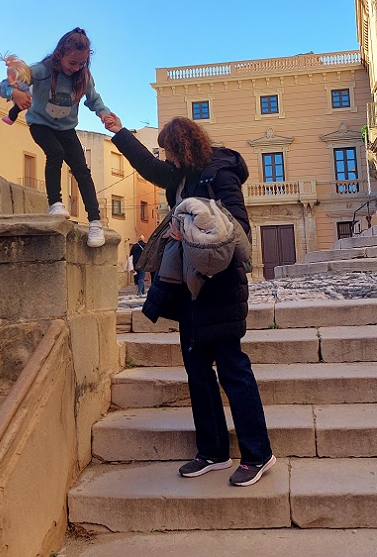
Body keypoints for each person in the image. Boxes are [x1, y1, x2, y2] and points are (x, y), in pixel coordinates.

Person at [103, 113, 275, 487]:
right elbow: (148, 166)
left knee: (233, 370)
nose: (164, 158)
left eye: (168, 151)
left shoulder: (220, 173)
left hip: (220, 287)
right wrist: (119, 132)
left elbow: (240, 229)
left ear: (181, 147)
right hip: (188, 289)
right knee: (197, 372)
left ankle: (258, 454)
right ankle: (213, 452)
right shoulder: (179, 177)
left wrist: (192, 231)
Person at [0, 27, 112, 248]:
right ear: (60, 54)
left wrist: (104, 114)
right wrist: (15, 93)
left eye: (81, 63)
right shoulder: (41, 70)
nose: (76, 68)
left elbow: (94, 99)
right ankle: (55, 203)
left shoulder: (83, 76)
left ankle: (95, 222)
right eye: (72, 63)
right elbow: (5, 85)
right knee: (55, 152)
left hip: (66, 128)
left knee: (82, 170)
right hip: (40, 123)